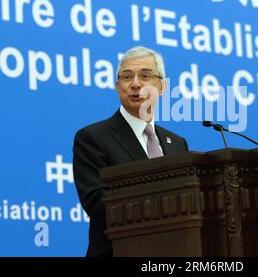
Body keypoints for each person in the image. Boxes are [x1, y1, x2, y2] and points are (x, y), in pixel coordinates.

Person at [72, 46, 189, 257]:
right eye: (127, 77)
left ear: (162, 87)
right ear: (118, 86)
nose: (135, 84)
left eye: (145, 76)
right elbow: (99, 204)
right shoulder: (93, 138)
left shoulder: (178, 144)